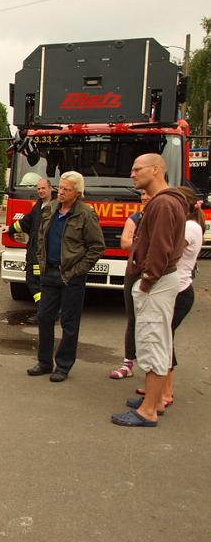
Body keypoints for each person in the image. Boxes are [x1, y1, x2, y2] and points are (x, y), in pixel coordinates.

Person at [110, 153, 188, 426]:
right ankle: (153, 401)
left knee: (153, 344)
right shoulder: (167, 201)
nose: (132, 173)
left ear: (155, 170)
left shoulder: (163, 204)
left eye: (136, 168)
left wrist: (146, 281)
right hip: (162, 281)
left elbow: (160, 249)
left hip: (156, 283)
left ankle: (148, 412)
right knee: (159, 343)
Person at [126, 185, 203, 412]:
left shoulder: (189, 227)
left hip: (177, 290)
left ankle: (163, 394)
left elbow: (166, 249)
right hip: (176, 288)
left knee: (162, 342)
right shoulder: (189, 224)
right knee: (162, 340)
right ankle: (157, 394)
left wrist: (146, 277)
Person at [28, 171, 105, 382]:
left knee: (69, 323)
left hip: (71, 276)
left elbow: (97, 247)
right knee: (44, 317)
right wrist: (41, 262)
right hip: (49, 273)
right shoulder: (51, 208)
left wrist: (77, 271)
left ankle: (63, 366)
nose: (61, 192)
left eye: (66, 189)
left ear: (78, 193)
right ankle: (44, 362)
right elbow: (41, 237)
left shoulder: (86, 214)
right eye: (60, 188)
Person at [109, 189, 151, 379]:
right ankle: (128, 363)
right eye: (142, 194)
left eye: (147, 194)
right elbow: (125, 242)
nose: (144, 197)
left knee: (156, 322)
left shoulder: (164, 214)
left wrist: (138, 242)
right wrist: (147, 243)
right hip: (134, 271)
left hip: (157, 274)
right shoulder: (136, 217)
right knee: (132, 318)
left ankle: (157, 369)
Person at [6, 177, 54, 307]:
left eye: (43, 188)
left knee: (35, 280)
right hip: (35, 252)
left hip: (44, 253)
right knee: (36, 280)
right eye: (38, 189)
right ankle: (45, 310)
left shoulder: (54, 207)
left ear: (50, 188)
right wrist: (10, 229)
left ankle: (44, 310)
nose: (40, 191)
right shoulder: (38, 205)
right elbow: (26, 222)